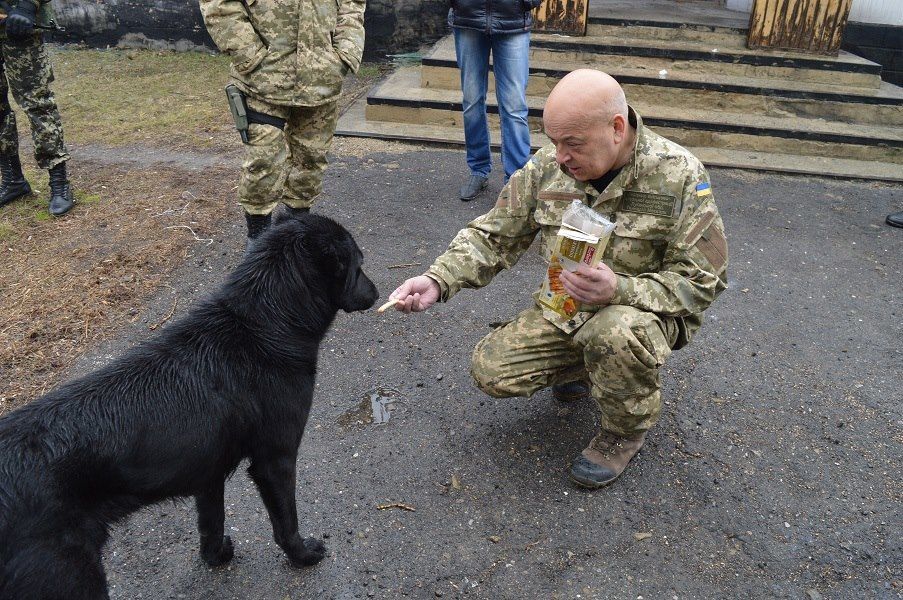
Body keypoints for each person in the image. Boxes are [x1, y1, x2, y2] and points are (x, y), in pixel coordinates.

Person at [389, 70, 729, 489]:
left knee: (613, 333)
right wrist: (438, 279)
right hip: (565, 306)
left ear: (617, 129)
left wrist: (621, 289)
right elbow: (494, 236)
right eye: (554, 141)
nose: (561, 155)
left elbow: (702, 280)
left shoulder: (678, 174)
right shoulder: (548, 167)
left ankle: (624, 431)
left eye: (573, 143)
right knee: (492, 370)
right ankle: (582, 369)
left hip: (640, 315)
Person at [200, 0, 366, 241]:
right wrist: (250, 55)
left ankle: (293, 240)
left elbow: (353, 4)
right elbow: (219, 5)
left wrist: (346, 52)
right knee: (262, 163)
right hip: (263, 81)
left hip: (321, 79)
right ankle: (258, 242)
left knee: (311, 162)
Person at [449, 0, 543, 202]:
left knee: (514, 106)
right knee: (472, 102)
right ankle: (479, 170)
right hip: (468, 17)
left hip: (513, 20)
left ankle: (516, 178)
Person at [0, 0, 74, 216]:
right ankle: (13, 180)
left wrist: (27, 5)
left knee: (38, 106)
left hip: (21, 27)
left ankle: (59, 184)